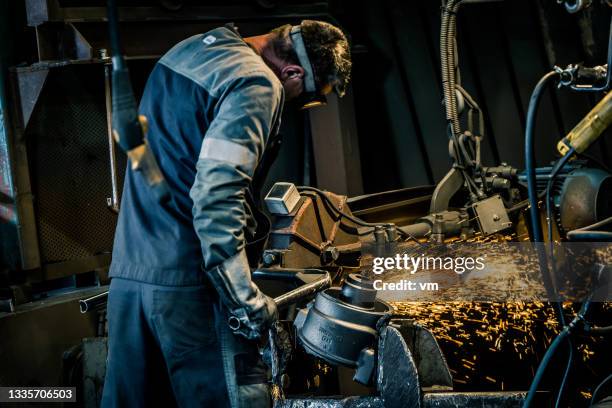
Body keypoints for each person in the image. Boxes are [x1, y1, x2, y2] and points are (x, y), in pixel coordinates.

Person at [101, 20, 351, 408]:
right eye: (309, 96)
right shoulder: (256, 83)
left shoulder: (189, 50)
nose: (301, 105)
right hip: (190, 290)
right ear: (292, 72)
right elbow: (218, 196)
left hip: (130, 278)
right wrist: (245, 300)